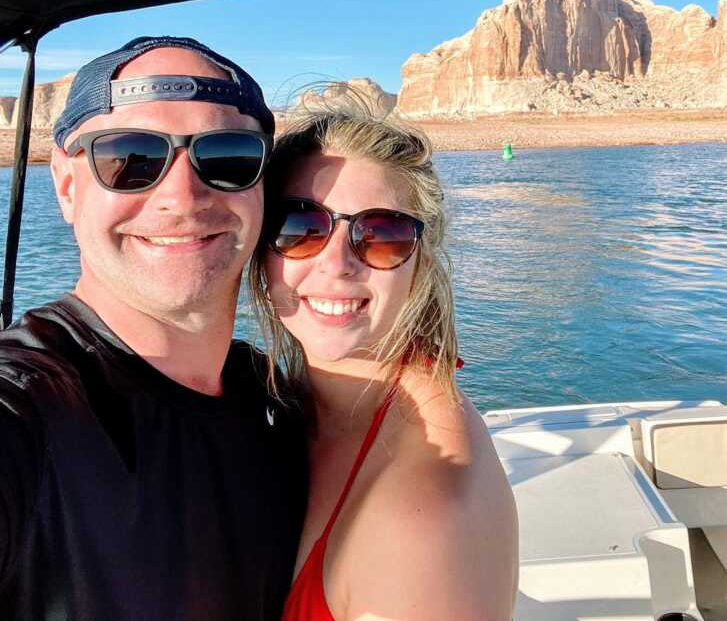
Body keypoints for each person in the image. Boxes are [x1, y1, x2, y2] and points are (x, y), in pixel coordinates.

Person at [0, 36, 309, 620]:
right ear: (67, 186)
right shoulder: (29, 405)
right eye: (130, 159)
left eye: (227, 157)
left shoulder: (274, 404)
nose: (182, 196)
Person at [250, 107, 519, 621]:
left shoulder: (419, 517)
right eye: (299, 226)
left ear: (421, 259)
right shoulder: (312, 409)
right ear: (262, 249)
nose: (336, 262)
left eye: (380, 234)